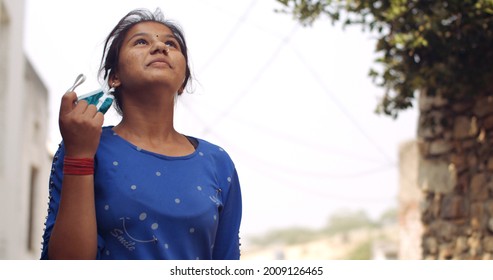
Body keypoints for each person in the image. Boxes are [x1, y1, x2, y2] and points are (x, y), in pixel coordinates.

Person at [41, 8, 242, 260]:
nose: (160, 47)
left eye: (171, 43)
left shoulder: (218, 162)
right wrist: (79, 155)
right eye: (141, 42)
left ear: (182, 82)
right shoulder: (85, 144)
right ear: (114, 77)